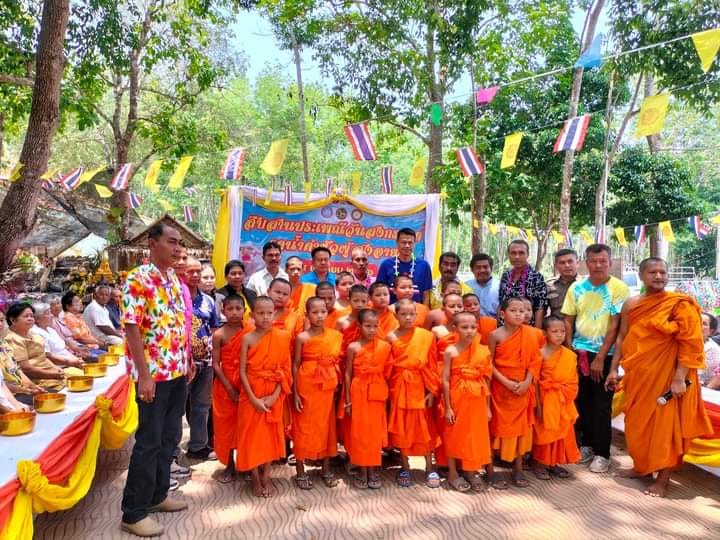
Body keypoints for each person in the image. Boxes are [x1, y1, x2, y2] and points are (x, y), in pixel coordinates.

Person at [606, 257, 712, 497]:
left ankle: (663, 480)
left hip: (670, 377)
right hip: (640, 376)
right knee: (637, 424)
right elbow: (623, 337)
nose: (659, 276)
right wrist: (614, 368)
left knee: (666, 428)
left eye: (663, 272)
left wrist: (679, 377)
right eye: (653, 272)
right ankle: (642, 467)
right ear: (642, 276)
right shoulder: (632, 304)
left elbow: (691, 343)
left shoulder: (680, 304)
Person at [120, 223, 190, 537]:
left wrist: (186, 361)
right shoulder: (137, 278)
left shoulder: (173, 277)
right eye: (172, 242)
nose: (178, 249)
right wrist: (144, 376)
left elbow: (175, 324)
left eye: (180, 244)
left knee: (169, 438)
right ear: (153, 243)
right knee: (148, 442)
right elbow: (132, 327)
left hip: (176, 372)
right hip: (154, 377)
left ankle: (158, 495)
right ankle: (133, 513)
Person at [561, 244, 629, 474]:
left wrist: (601, 357)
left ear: (610, 262)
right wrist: (569, 349)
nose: (598, 265)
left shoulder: (618, 288)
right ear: (586, 262)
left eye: (603, 260)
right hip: (578, 352)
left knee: (602, 405)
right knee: (581, 401)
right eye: (593, 260)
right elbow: (568, 319)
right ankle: (586, 445)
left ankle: (602, 453)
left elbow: (615, 325)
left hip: (606, 354)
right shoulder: (577, 288)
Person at [236, 296, 292, 498]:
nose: (266, 317)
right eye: (261, 313)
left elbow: (285, 370)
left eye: (269, 313)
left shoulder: (283, 336)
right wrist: (253, 399)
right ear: (252, 315)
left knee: (270, 437)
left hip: (273, 393)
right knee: (250, 436)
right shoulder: (247, 338)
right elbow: (242, 371)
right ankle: (254, 477)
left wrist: (275, 396)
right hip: (251, 392)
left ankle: (266, 475)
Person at [488, 297, 542, 488]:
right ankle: (494, 467)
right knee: (499, 428)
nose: (520, 314)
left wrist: (528, 381)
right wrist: (506, 382)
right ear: (503, 314)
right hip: (502, 390)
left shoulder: (531, 334)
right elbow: (489, 364)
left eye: (523, 311)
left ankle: (518, 468)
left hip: (523, 389)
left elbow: (535, 361)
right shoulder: (495, 335)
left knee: (522, 431)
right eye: (514, 310)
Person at [386, 299, 440, 488]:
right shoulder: (390, 337)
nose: (408, 317)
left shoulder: (426, 336)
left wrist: (432, 390)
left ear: (417, 315)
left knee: (425, 428)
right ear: (396, 315)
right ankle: (404, 466)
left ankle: (429, 467)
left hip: (420, 388)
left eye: (412, 314)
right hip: (399, 387)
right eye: (403, 314)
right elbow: (388, 367)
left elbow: (432, 365)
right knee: (402, 428)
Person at [292, 297, 342, 490]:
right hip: (307, 385)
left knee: (326, 426)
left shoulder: (335, 335)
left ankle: (326, 467)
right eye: (315, 312)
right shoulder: (302, 337)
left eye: (323, 311)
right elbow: (295, 364)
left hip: (327, 386)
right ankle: (300, 469)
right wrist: (295, 393)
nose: (320, 315)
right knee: (303, 425)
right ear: (307, 315)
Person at [443, 311, 493, 492]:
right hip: (457, 397)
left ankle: (471, 471)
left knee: (474, 435)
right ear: (455, 329)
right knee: (454, 434)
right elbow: (445, 379)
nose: (470, 331)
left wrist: (488, 407)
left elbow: (487, 378)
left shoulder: (483, 350)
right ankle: (453, 473)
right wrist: (448, 407)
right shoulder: (450, 351)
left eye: (473, 327)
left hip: (477, 398)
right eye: (464, 327)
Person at [345, 308, 391, 489]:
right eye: (367, 326)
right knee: (360, 432)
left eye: (375, 326)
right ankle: (362, 469)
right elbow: (348, 374)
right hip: (359, 389)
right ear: (359, 326)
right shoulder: (353, 347)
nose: (371, 330)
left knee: (375, 431)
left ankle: (373, 468)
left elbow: (388, 372)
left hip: (377, 389)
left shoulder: (384, 346)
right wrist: (347, 400)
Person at [532, 316, 579, 480]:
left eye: (563, 331)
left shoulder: (569, 355)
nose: (559, 335)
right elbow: (535, 382)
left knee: (562, 432)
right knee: (545, 432)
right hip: (546, 399)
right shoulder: (540, 353)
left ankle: (554, 463)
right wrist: (538, 404)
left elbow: (572, 380)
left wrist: (567, 394)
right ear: (545, 333)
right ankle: (540, 463)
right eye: (555, 331)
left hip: (562, 398)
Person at [211, 295, 249, 483]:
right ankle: (229, 465)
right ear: (223, 311)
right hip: (225, 385)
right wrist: (230, 389)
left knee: (245, 426)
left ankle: (246, 464)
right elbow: (216, 364)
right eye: (230, 309)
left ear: (244, 310)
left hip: (247, 384)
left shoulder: (250, 330)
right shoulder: (219, 334)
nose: (234, 312)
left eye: (238, 308)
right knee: (226, 427)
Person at [185, 257, 220, 461]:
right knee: (178, 408)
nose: (196, 275)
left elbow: (215, 330)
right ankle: (171, 454)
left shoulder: (208, 301)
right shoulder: (177, 298)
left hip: (205, 362)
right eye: (192, 271)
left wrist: (215, 357)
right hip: (183, 363)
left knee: (201, 405)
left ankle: (198, 446)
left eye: (199, 271)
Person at [5, 303, 66, 392]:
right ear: (13, 320)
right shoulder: (13, 339)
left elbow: (43, 357)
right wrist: (51, 374)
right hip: (37, 380)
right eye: (26, 316)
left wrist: (57, 369)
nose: (30, 319)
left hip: (51, 374)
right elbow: (26, 369)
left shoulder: (33, 334)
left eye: (31, 316)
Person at [375, 228, 433, 306]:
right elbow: (379, 292)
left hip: (416, 313)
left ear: (414, 244)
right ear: (397, 243)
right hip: (391, 313)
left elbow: (426, 294)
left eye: (410, 243)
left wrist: (424, 313)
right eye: (403, 242)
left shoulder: (424, 265)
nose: (407, 246)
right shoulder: (386, 265)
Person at [498, 240, 548, 327]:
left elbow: (540, 308)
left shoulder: (536, 277)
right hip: (505, 327)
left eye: (521, 253)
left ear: (527, 255)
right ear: (508, 255)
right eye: (513, 253)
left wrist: (537, 332)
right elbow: (501, 302)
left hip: (526, 328)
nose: (517, 257)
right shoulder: (506, 275)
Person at [0, 310, 44, 405]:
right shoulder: (11, 338)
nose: (0, 324)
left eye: (1, 320)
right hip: (8, 395)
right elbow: (2, 385)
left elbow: (17, 370)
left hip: (20, 390)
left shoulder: (3, 343)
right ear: (13, 321)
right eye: (26, 316)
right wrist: (23, 390)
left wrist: (32, 386)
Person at [30, 302, 84, 368]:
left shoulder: (50, 330)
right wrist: (70, 362)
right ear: (37, 319)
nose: (52, 315)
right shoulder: (36, 332)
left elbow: (63, 349)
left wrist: (76, 357)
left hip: (70, 363)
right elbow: (48, 357)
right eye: (48, 313)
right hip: (60, 367)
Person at [546, 249, 579, 317]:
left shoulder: (587, 284)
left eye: (570, 261)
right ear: (556, 266)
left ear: (577, 263)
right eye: (562, 263)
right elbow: (542, 310)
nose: (567, 265)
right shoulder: (549, 285)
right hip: (557, 326)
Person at [700, 312, 720, 386]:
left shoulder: (713, 350)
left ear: (711, 332)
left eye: (704, 323)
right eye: (697, 321)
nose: (698, 325)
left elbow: (701, 376)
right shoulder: (680, 342)